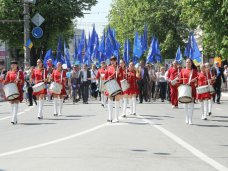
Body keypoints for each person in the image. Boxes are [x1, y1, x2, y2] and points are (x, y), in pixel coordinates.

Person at [179, 59, 198, 125]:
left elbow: (197, 79)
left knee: (191, 105)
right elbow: (180, 80)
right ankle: (187, 117)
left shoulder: (194, 71)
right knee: (185, 104)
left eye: (189, 62)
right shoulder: (182, 70)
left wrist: (195, 81)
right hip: (185, 88)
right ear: (185, 63)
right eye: (187, 62)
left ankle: (190, 119)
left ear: (191, 63)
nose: (188, 63)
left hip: (192, 88)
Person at [104, 56, 122, 122]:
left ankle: (116, 117)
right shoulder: (108, 68)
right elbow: (106, 77)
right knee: (110, 100)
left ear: (116, 60)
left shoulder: (119, 67)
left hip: (117, 85)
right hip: (110, 85)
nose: (112, 61)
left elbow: (121, 77)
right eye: (111, 60)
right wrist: (114, 73)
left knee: (117, 101)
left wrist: (118, 73)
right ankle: (110, 117)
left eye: (114, 60)